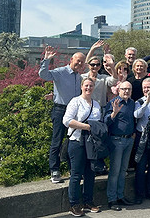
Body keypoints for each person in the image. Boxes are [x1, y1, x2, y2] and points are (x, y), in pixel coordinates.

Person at [38, 47, 85, 184]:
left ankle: (73, 169)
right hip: (60, 110)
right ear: (71, 60)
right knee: (57, 140)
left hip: (74, 111)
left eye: (82, 62)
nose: (80, 64)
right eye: (78, 61)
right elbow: (44, 75)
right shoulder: (61, 72)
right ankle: (55, 170)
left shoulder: (79, 76)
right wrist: (46, 60)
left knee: (72, 141)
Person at [62, 78, 102, 216]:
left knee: (90, 173)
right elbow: (66, 120)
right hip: (77, 141)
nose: (89, 88)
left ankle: (88, 201)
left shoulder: (96, 104)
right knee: (76, 174)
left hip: (91, 143)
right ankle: (74, 204)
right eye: (86, 85)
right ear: (81, 86)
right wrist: (86, 127)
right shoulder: (75, 101)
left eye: (91, 86)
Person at [104, 81, 135, 210]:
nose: (126, 91)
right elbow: (105, 121)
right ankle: (112, 199)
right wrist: (114, 113)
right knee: (115, 171)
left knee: (123, 171)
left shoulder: (132, 103)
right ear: (118, 90)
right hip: (117, 140)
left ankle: (120, 195)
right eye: (123, 89)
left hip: (129, 140)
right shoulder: (113, 103)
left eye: (128, 89)